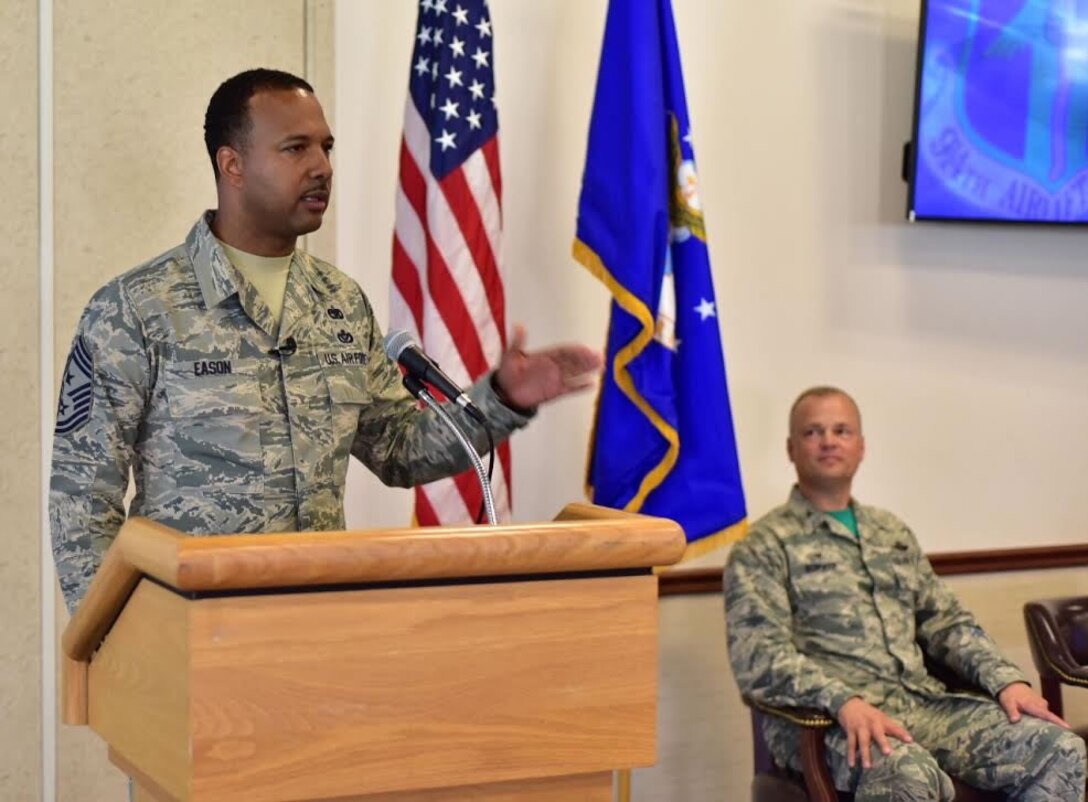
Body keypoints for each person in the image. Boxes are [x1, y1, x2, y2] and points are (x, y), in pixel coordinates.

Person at [50, 68, 602, 614]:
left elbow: (400, 450)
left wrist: (503, 396)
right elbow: (82, 502)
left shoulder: (338, 301)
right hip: (189, 633)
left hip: (319, 628)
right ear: (232, 165)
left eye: (326, 147)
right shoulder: (136, 309)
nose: (321, 168)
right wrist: (122, 640)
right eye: (295, 148)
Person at [724, 386, 1086, 801]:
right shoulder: (763, 546)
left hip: (919, 705)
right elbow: (760, 657)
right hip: (830, 722)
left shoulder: (890, 532)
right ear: (791, 448)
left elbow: (946, 621)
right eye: (813, 432)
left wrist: (1007, 683)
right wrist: (843, 700)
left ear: (861, 447)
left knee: (1059, 748)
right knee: (907, 773)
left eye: (842, 430)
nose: (828, 441)